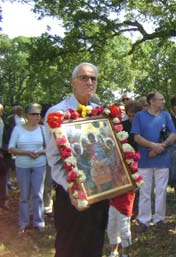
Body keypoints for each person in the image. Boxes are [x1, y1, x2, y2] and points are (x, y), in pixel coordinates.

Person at [44, 62, 109, 257]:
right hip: (70, 195)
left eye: (93, 78)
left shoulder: (101, 113)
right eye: (84, 77)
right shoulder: (57, 113)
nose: (89, 82)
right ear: (73, 82)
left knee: (95, 244)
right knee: (69, 247)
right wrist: (71, 187)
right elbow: (54, 160)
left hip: (99, 190)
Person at [131, 91, 176, 231]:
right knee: (145, 190)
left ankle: (159, 219)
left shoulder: (166, 115)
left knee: (161, 190)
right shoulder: (139, 116)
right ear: (152, 101)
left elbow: (173, 134)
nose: (163, 102)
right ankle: (144, 220)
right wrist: (153, 146)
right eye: (160, 99)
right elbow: (136, 137)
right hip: (145, 160)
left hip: (163, 159)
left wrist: (162, 146)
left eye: (163, 99)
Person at [8, 103, 47, 234]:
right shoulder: (18, 129)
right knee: (24, 195)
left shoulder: (43, 129)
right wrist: (26, 153)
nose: (37, 116)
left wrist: (40, 152)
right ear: (27, 115)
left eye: (38, 114)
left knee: (38, 194)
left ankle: (39, 221)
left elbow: (49, 147)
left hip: (39, 165)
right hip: (22, 166)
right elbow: (11, 148)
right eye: (34, 114)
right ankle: (23, 222)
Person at [0, 104, 12, 210]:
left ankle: (4, 200)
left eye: (1, 111)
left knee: (4, 178)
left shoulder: (6, 125)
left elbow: (8, 140)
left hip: (4, 155)